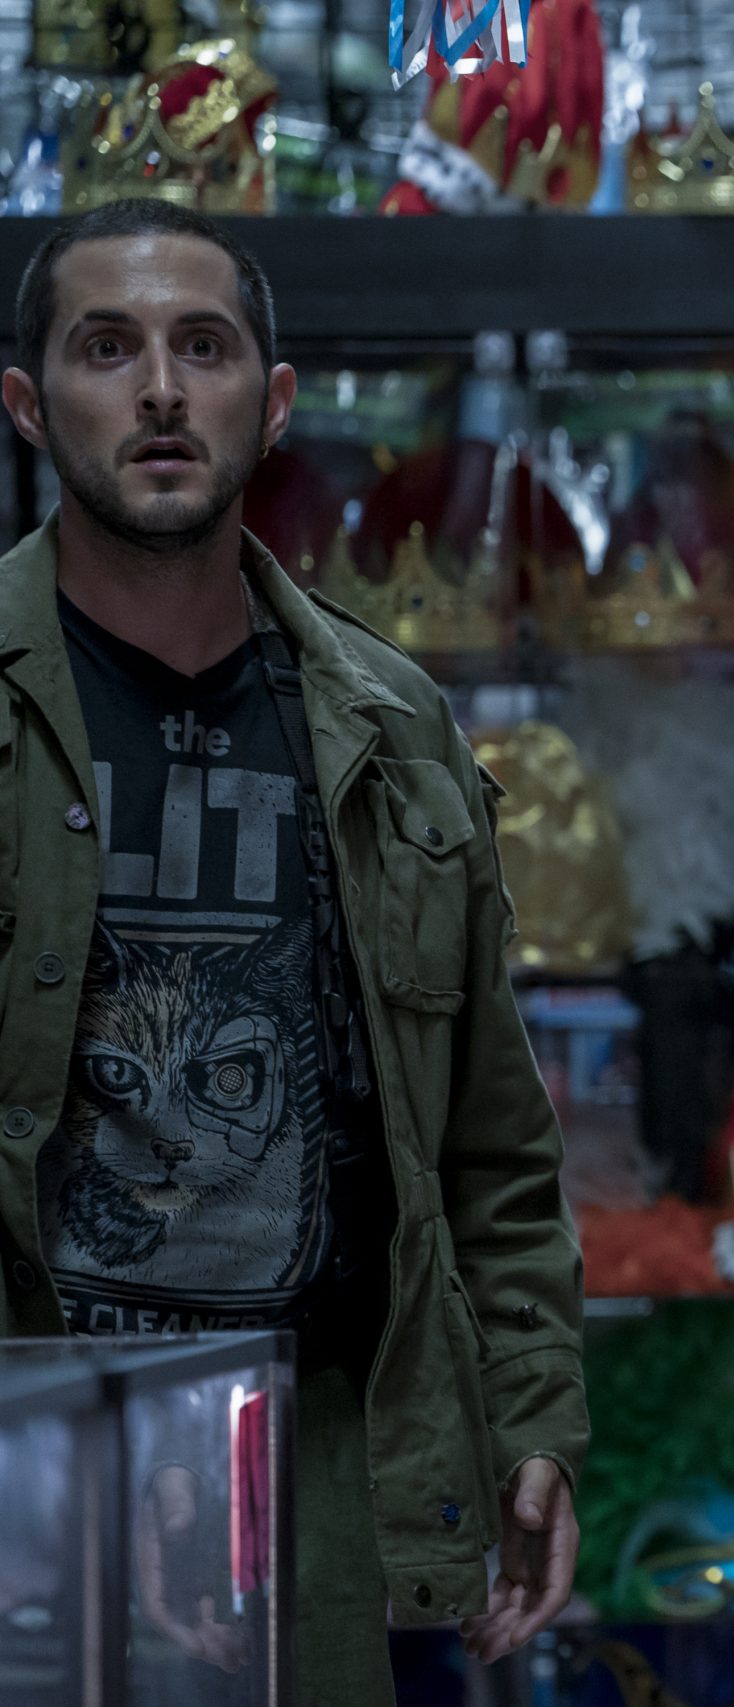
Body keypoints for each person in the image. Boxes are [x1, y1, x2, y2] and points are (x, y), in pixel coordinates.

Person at [0, 198, 587, 1704]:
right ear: (27, 403)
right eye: (106, 348)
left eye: (202, 348)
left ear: (272, 405)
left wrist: (531, 1414)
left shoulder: (389, 728)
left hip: (309, 1437)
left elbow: (489, 1136)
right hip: (26, 1429)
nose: (159, 389)